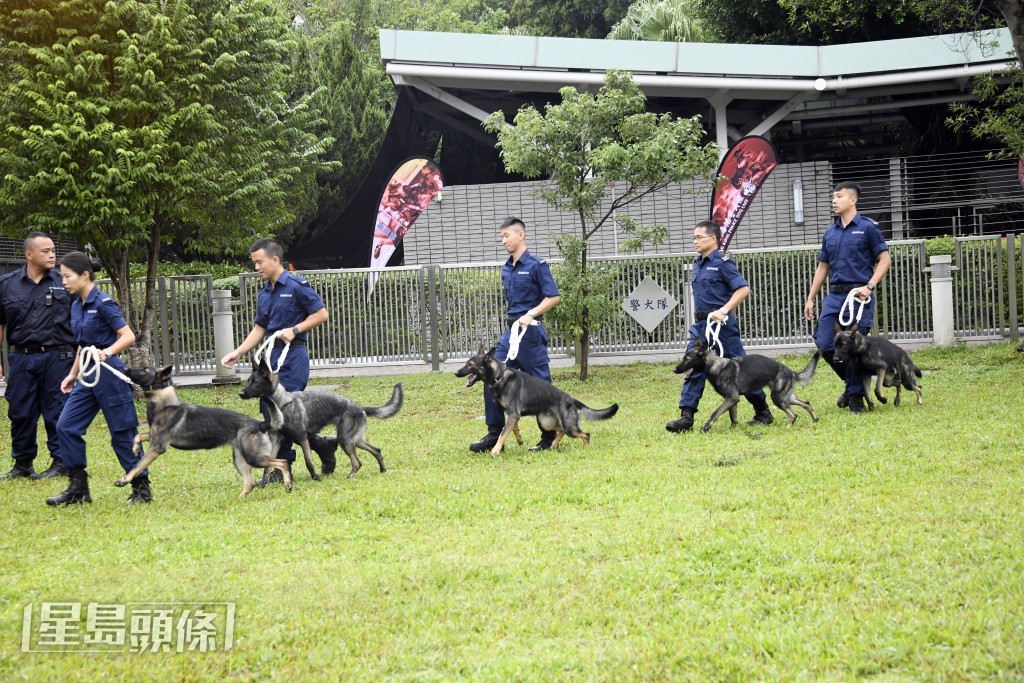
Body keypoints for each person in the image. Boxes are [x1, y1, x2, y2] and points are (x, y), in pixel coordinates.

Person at [221, 238, 331, 481]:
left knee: (285, 413)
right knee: (271, 412)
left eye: (259, 262)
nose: (256, 267)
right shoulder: (264, 293)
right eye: (254, 263)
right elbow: (260, 328)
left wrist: (295, 329)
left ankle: (283, 468)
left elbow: (321, 314)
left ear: (275, 260)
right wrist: (237, 352)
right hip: (270, 359)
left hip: (293, 357)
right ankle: (323, 445)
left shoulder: (296, 285)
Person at [49, 252, 147, 506]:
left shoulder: (103, 303)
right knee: (66, 426)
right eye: (62, 276)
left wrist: (107, 352)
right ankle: (78, 488)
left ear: (84, 275)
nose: (64, 281)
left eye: (67, 276)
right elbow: (83, 346)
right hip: (88, 374)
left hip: (109, 374)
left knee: (122, 433)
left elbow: (128, 336)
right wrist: (72, 375)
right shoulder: (75, 305)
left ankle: (141, 488)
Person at [667, 220, 773, 433]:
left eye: (699, 237)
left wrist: (723, 310)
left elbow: (743, 289)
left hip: (722, 326)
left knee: (742, 370)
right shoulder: (698, 264)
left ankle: (762, 411)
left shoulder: (723, 262)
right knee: (692, 365)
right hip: (701, 326)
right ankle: (686, 417)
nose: (695, 241)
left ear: (713, 238)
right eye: (694, 237)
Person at [469, 217, 561, 453]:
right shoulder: (506, 268)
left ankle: (548, 436)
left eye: (506, 236)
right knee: (491, 374)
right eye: (501, 237)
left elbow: (553, 297)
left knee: (541, 385)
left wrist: (531, 313)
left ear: (521, 235)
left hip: (531, 334)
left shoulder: (537, 264)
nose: (503, 240)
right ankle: (493, 434)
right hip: (510, 333)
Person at [803, 181, 891, 414]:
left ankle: (855, 398)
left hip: (859, 296)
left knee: (855, 345)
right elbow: (823, 267)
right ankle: (855, 385)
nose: (834, 200)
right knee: (824, 342)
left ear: (853, 200)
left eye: (839, 196)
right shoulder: (830, 233)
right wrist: (811, 298)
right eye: (833, 196)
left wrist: (870, 286)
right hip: (835, 296)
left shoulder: (868, 228)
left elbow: (885, 260)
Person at [0, 232, 77, 480]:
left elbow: (83, 316)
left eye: (53, 250)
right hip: (21, 358)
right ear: (29, 255)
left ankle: (61, 462)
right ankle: (22, 465)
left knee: (57, 411)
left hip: (59, 357)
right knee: (21, 412)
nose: (52, 254)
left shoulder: (65, 282)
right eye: (45, 251)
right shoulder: (6, 284)